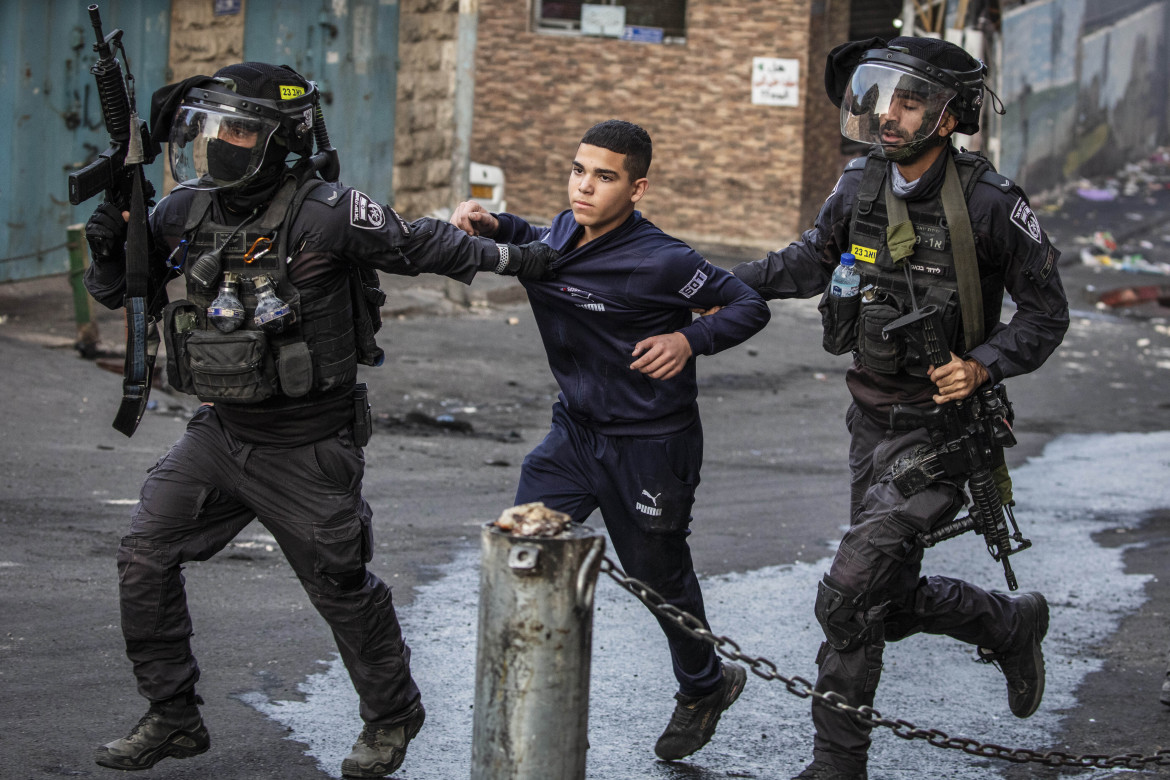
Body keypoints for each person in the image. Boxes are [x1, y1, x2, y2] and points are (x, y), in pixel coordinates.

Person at [82, 62, 555, 778]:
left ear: (278, 139)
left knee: (341, 587)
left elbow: (421, 243)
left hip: (309, 445)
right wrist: (108, 243)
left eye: (239, 129)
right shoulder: (186, 210)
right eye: (211, 129)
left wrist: (520, 256)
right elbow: (125, 290)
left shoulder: (329, 211)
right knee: (144, 558)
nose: (221, 144)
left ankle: (392, 715)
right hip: (220, 435)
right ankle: (173, 716)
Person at [730, 38, 1070, 780]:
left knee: (850, 592)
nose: (890, 114)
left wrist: (982, 367)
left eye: (911, 100)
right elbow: (808, 261)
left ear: (951, 116)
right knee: (883, 598)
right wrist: (705, 280)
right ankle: (1006, 622)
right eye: (885, 97)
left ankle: (834, 768)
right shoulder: (860, 185)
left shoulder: (991, 202)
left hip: (946, 433)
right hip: (871, 420)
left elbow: (1046, 315)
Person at [451, 119, 770, 761]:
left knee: (658, 578)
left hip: (651, 443)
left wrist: (689, 339)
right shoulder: (565, 228)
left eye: (604, 176)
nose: (584, 187)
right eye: (578, 170)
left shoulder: (665, 261)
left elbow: (747, 304)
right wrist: (493, 225)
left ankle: (705, 686)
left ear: (637, 187)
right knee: (526, 551)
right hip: (574, 434)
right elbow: (538, 239)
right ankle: (541, 710)